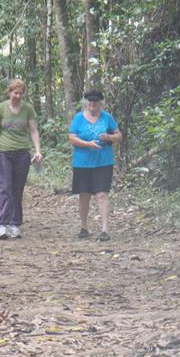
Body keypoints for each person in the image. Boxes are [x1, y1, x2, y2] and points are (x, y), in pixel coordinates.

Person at [0, 79, 43, 239]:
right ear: (9, 92)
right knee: (5, 186)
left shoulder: (27, 109)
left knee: (17, 188)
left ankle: (14, 223)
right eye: (15, 93)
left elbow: (33, 131)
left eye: (20, 93)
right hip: (4, 153)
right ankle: (1, 224)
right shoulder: (0, 108)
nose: (17, 96)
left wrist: (38, 150)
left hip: (22, 153)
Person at [68, 89, 122, 242]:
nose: (92, 104)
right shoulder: (78, 118)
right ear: (86, 103)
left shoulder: (107, 118)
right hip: (82, 163)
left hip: (103, 162)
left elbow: (119, 136)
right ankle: (84, 227)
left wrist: (109, 137)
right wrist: (87, 144)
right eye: (90, 101)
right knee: (84, 194)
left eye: (95, 102)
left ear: (100, 103)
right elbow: (72, 137)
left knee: (102, 194)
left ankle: (105, 230)